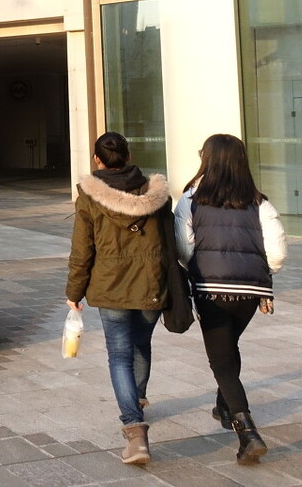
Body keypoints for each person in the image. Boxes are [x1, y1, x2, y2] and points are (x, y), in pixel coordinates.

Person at [175, 134, 287, 465]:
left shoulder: (191, 200)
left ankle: (247, 430)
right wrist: (259, 274)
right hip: (251, 292)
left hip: (211, 290)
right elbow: (277, 254)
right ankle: (224, 405)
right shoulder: (260, 203)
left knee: (221, 360)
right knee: (229, 347)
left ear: (206, 160)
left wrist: (197, 268)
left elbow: (183, 248)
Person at [65, 131, 172, 465]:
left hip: (110, 287)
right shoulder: (156, 193)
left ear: (98, 160)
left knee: (119, 355)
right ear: (127, 155)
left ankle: (134, 429)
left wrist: (74, 292)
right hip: (152, 284)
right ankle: (136, 398)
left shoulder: (88, 196)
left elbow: (83, 249)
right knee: (141, 346)